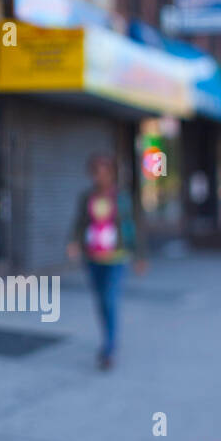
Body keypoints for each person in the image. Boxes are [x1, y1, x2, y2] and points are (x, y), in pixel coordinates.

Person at [67, 153, 147, 370]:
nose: (99, 176)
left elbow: (133, 227)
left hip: (116, 257)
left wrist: (139, 256)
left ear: (112, 173)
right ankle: (107, 335)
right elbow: (79, 222)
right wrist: (73, 242)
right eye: (95, 172)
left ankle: (109, 348)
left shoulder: (122, 197)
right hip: (92, 256)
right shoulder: (87, 197)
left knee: (110, 299)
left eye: (103, 172)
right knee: (101, 300)